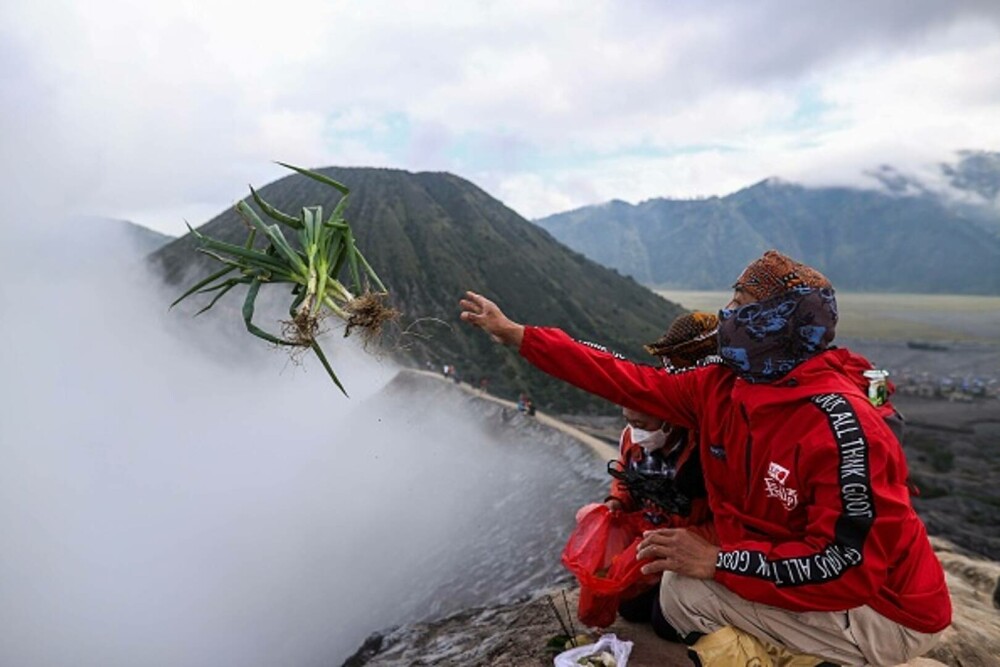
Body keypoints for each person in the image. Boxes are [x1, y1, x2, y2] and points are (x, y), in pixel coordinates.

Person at [460, 250, 950, 666]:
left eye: (741, 306)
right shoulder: (722, 387)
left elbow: (846, 568)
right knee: (676, 592)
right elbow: (626, 377)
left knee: (686, 594)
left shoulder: (842, 428)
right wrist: (521, 336)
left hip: (885, 609)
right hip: (809, 577)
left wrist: (720, 561)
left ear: (780, 324)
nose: (726, 317)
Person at [600, 313, 719, 631]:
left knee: (666, 624)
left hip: (689, 544)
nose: (635, 431)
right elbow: (624, 477)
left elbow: (725, 516)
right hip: (650, 539)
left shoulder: (704, 446)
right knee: (629, 608)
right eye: (629, 422)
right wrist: (617, 502)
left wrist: (689, 544)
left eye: (641, 423)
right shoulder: (632, 439)